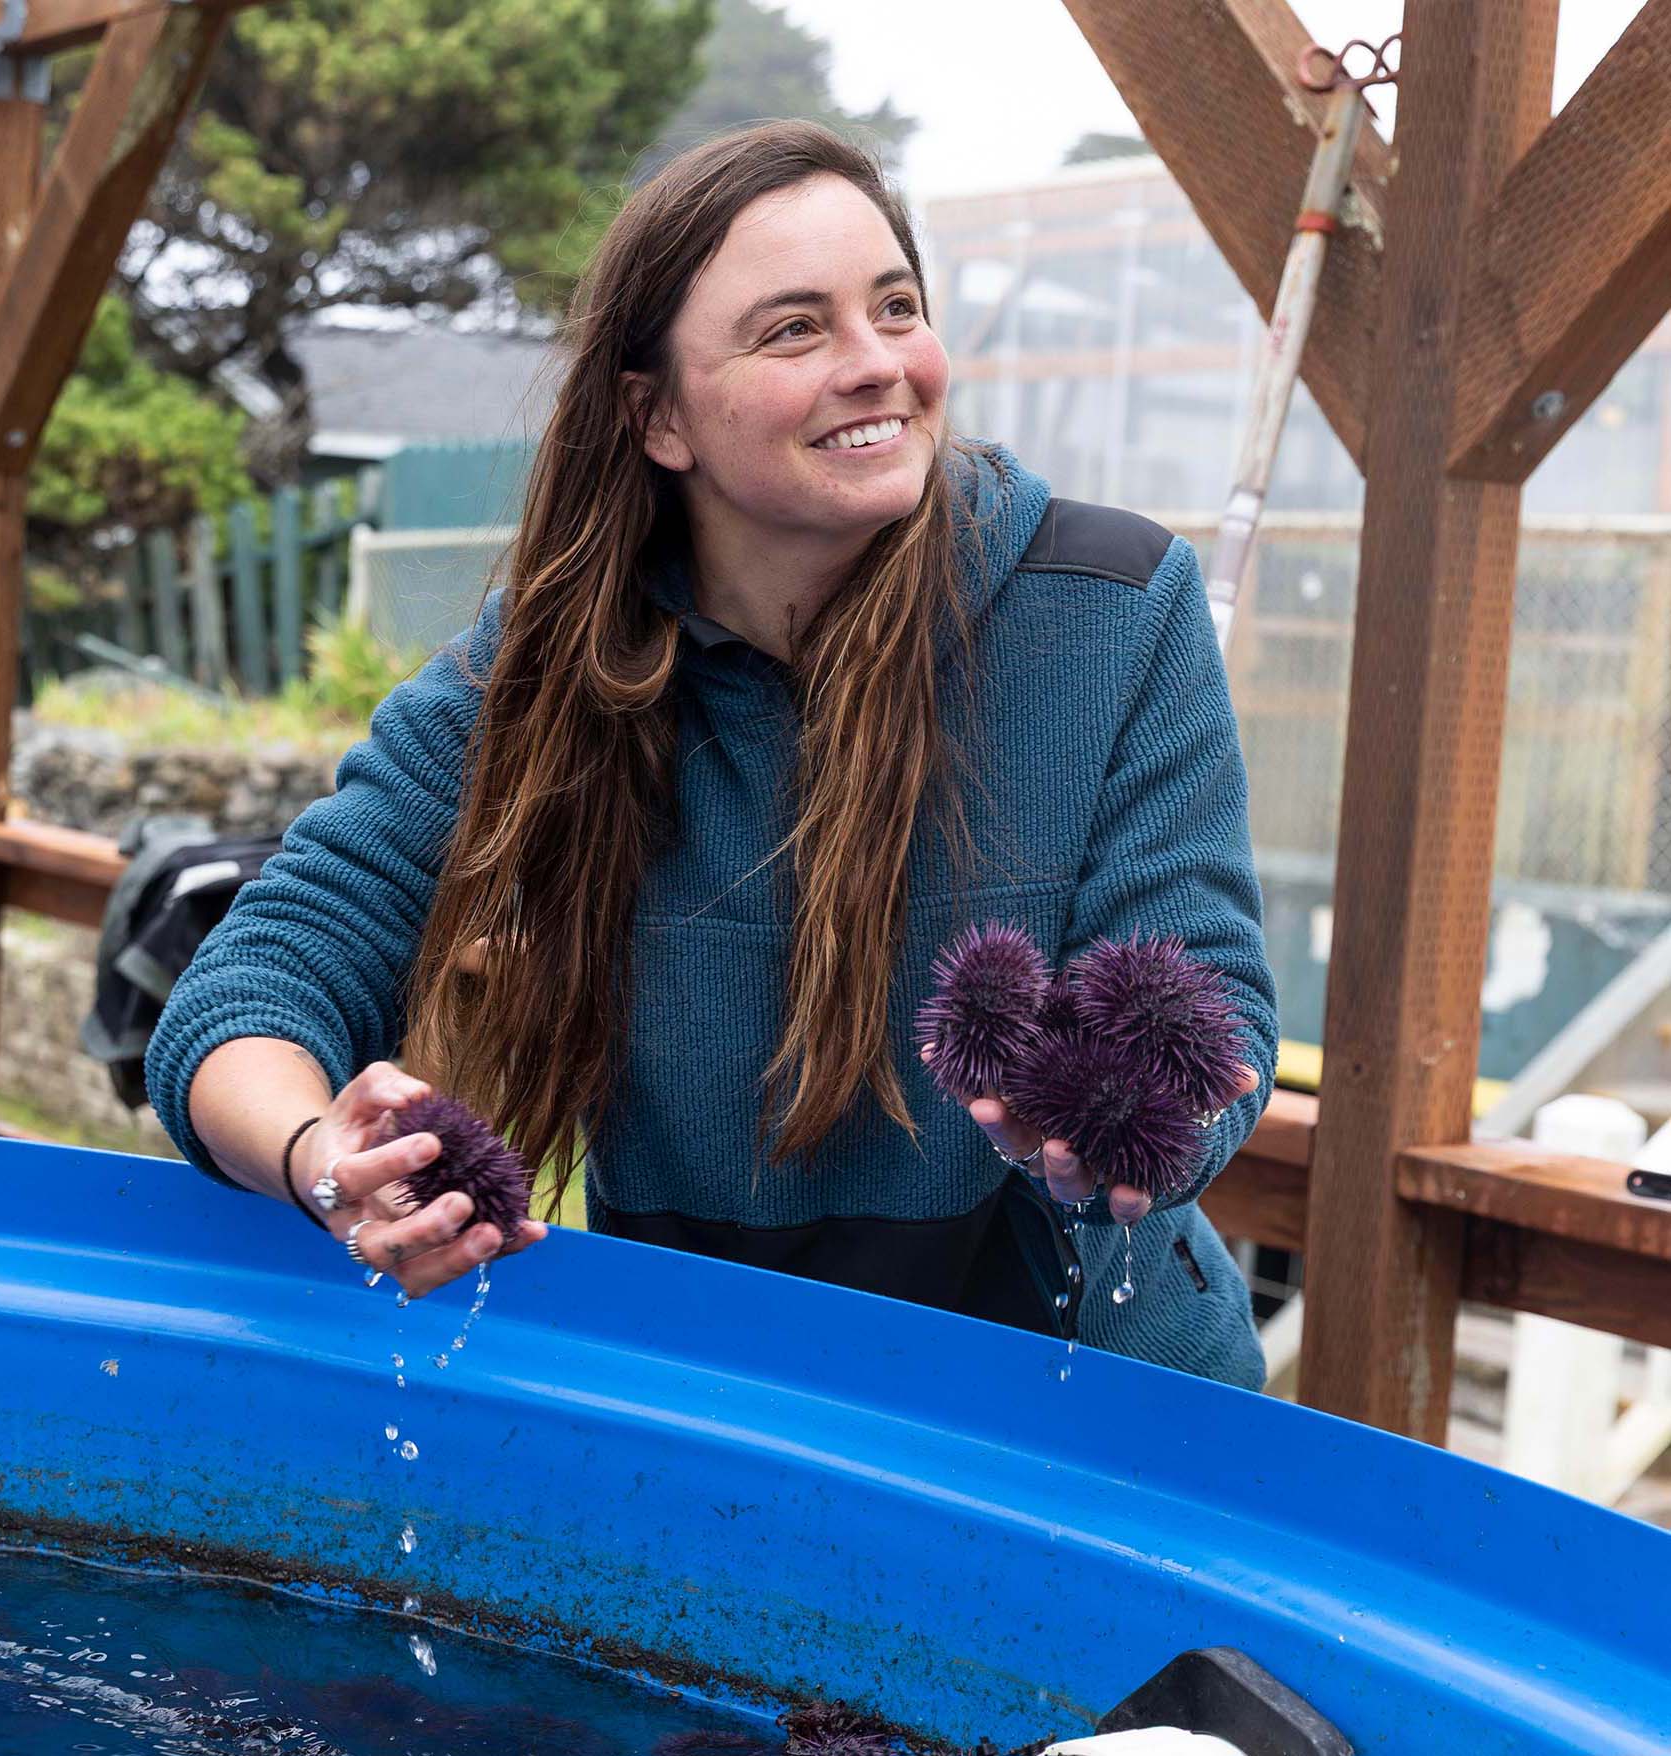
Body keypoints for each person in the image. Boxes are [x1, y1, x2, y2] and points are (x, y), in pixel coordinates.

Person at [147, 121, 1278, 1390]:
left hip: (1082, 1401)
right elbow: (253, 984)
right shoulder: (544, 667)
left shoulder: (1116, 606)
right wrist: (323, 1156)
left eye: (895, 308)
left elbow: (1211, 992)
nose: (877, 367)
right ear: (658, 416)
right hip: (712, 1384)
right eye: (794, 329)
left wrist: (1133, 1132)